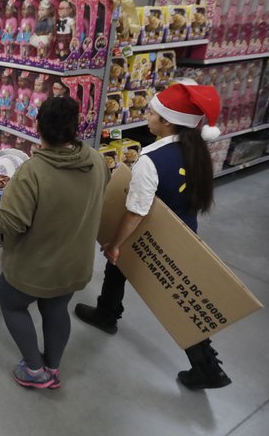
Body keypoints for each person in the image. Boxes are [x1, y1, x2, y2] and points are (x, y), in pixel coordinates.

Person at [75, 82, 231, 390]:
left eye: (152, 112)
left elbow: (135, 213)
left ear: (168, 121)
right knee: (160, 286)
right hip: (183, 231)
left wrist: (114, 244)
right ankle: (107, 312)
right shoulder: (195, 149)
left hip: (153, 234)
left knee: (172, 299)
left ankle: (208, 368)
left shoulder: (151, 160)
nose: (147, 116)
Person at [0, 95, 110, 389]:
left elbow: (9, 223)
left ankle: (33, 369)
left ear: (37, 126)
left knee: (12, 304)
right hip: (73, 266)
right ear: (75, 127)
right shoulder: (95, 160)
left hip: (33, 269)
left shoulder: (32, 172)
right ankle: (52, 368)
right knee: (56, 309)